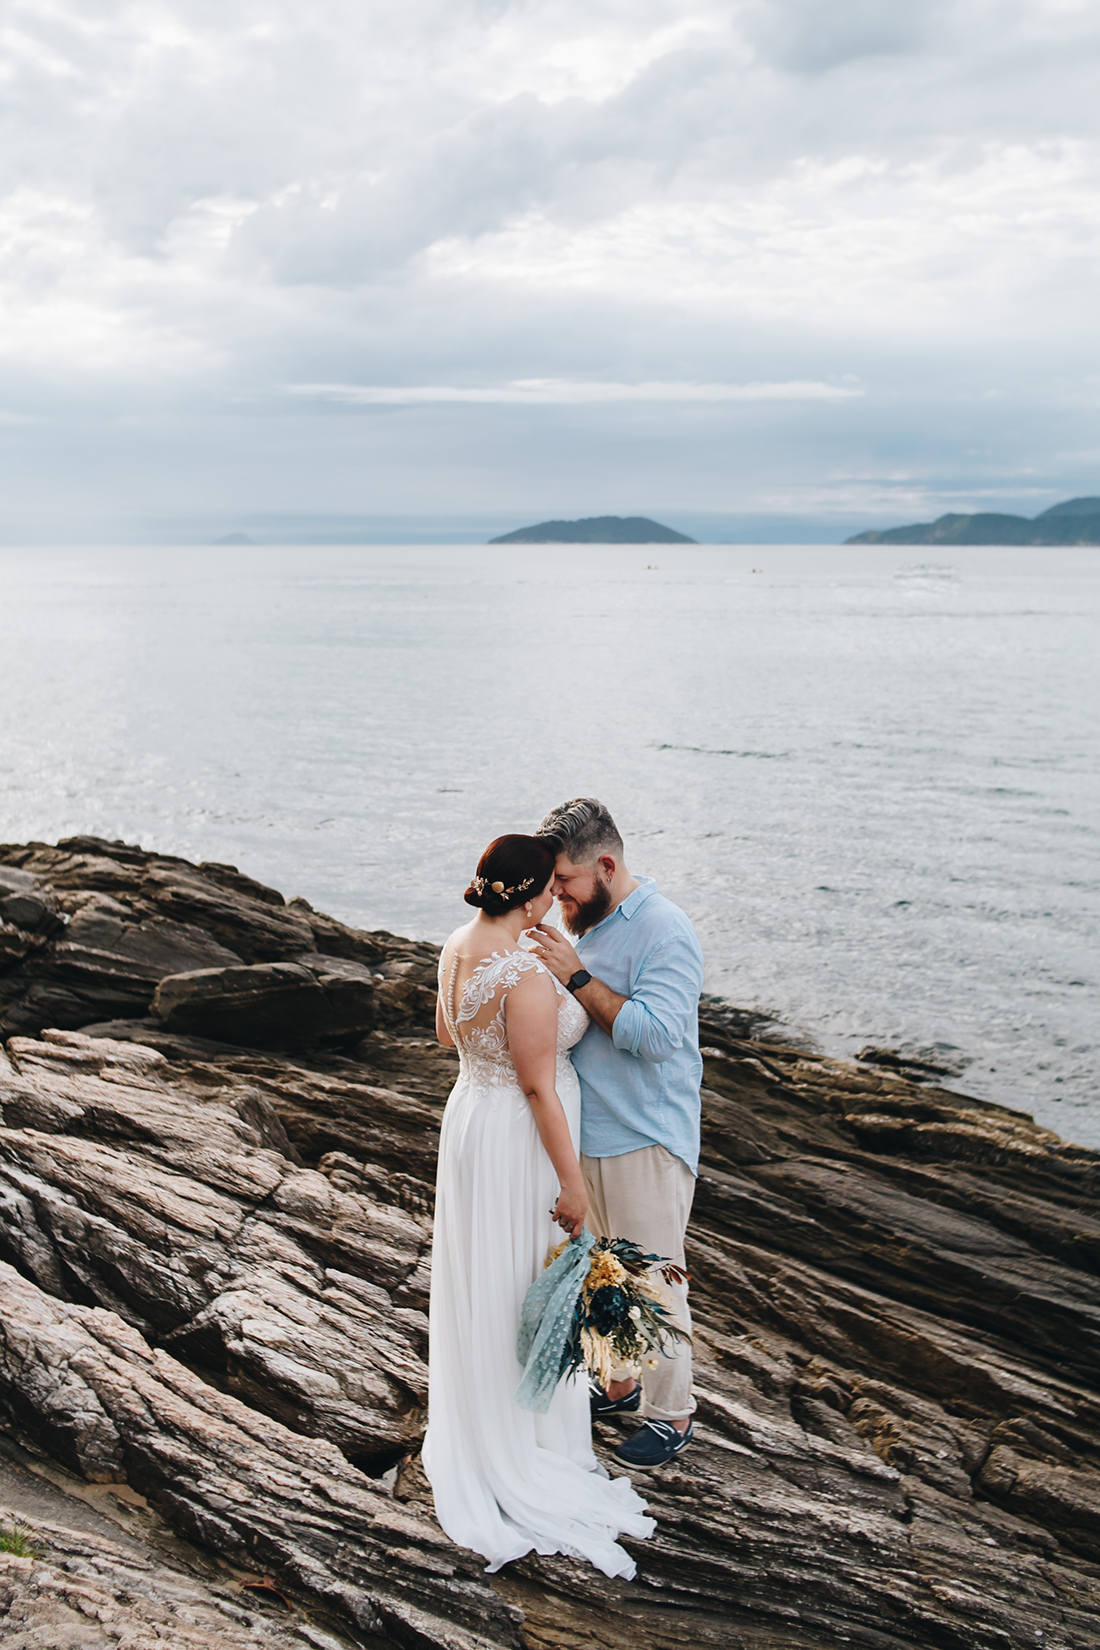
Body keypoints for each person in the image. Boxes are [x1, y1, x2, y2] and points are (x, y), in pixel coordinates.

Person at [423, 833, 654, 1578]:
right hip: (517, 1138)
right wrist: (573, 1182)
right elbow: (537, 1087)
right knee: (520, 1278)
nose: (557, 897)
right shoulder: (521, 971)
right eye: (547, 890)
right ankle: (517, 1447)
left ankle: (481, 1419)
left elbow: (445, 1033)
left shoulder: (459, 942)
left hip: (469, 1119)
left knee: (482, 1277)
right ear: (527, 895)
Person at [529, 799, 704, 1468]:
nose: (556, 895)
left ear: (605, 866)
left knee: (656, 1282)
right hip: (586, 1132)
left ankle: (672, 1413)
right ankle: (619, 1383)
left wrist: (573, 974)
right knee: (602, 1272)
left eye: (564, 882)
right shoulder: (585, 921)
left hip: (645, 1137)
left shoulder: (665, 931)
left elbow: (656, 1038)